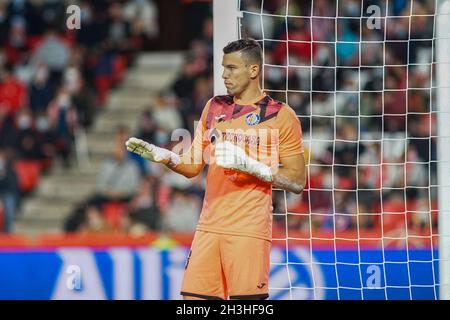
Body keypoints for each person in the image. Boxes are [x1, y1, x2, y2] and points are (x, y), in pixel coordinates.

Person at [126, 39, 305, 300]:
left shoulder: (280, 115)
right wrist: (165, 156)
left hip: (248, 229)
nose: (224, 75)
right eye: (223, 68)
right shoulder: (214, 106)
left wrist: (254, 168)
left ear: (253, 70)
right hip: (208, 227)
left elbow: (297, 181)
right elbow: (192, 166)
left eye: (232, 68)